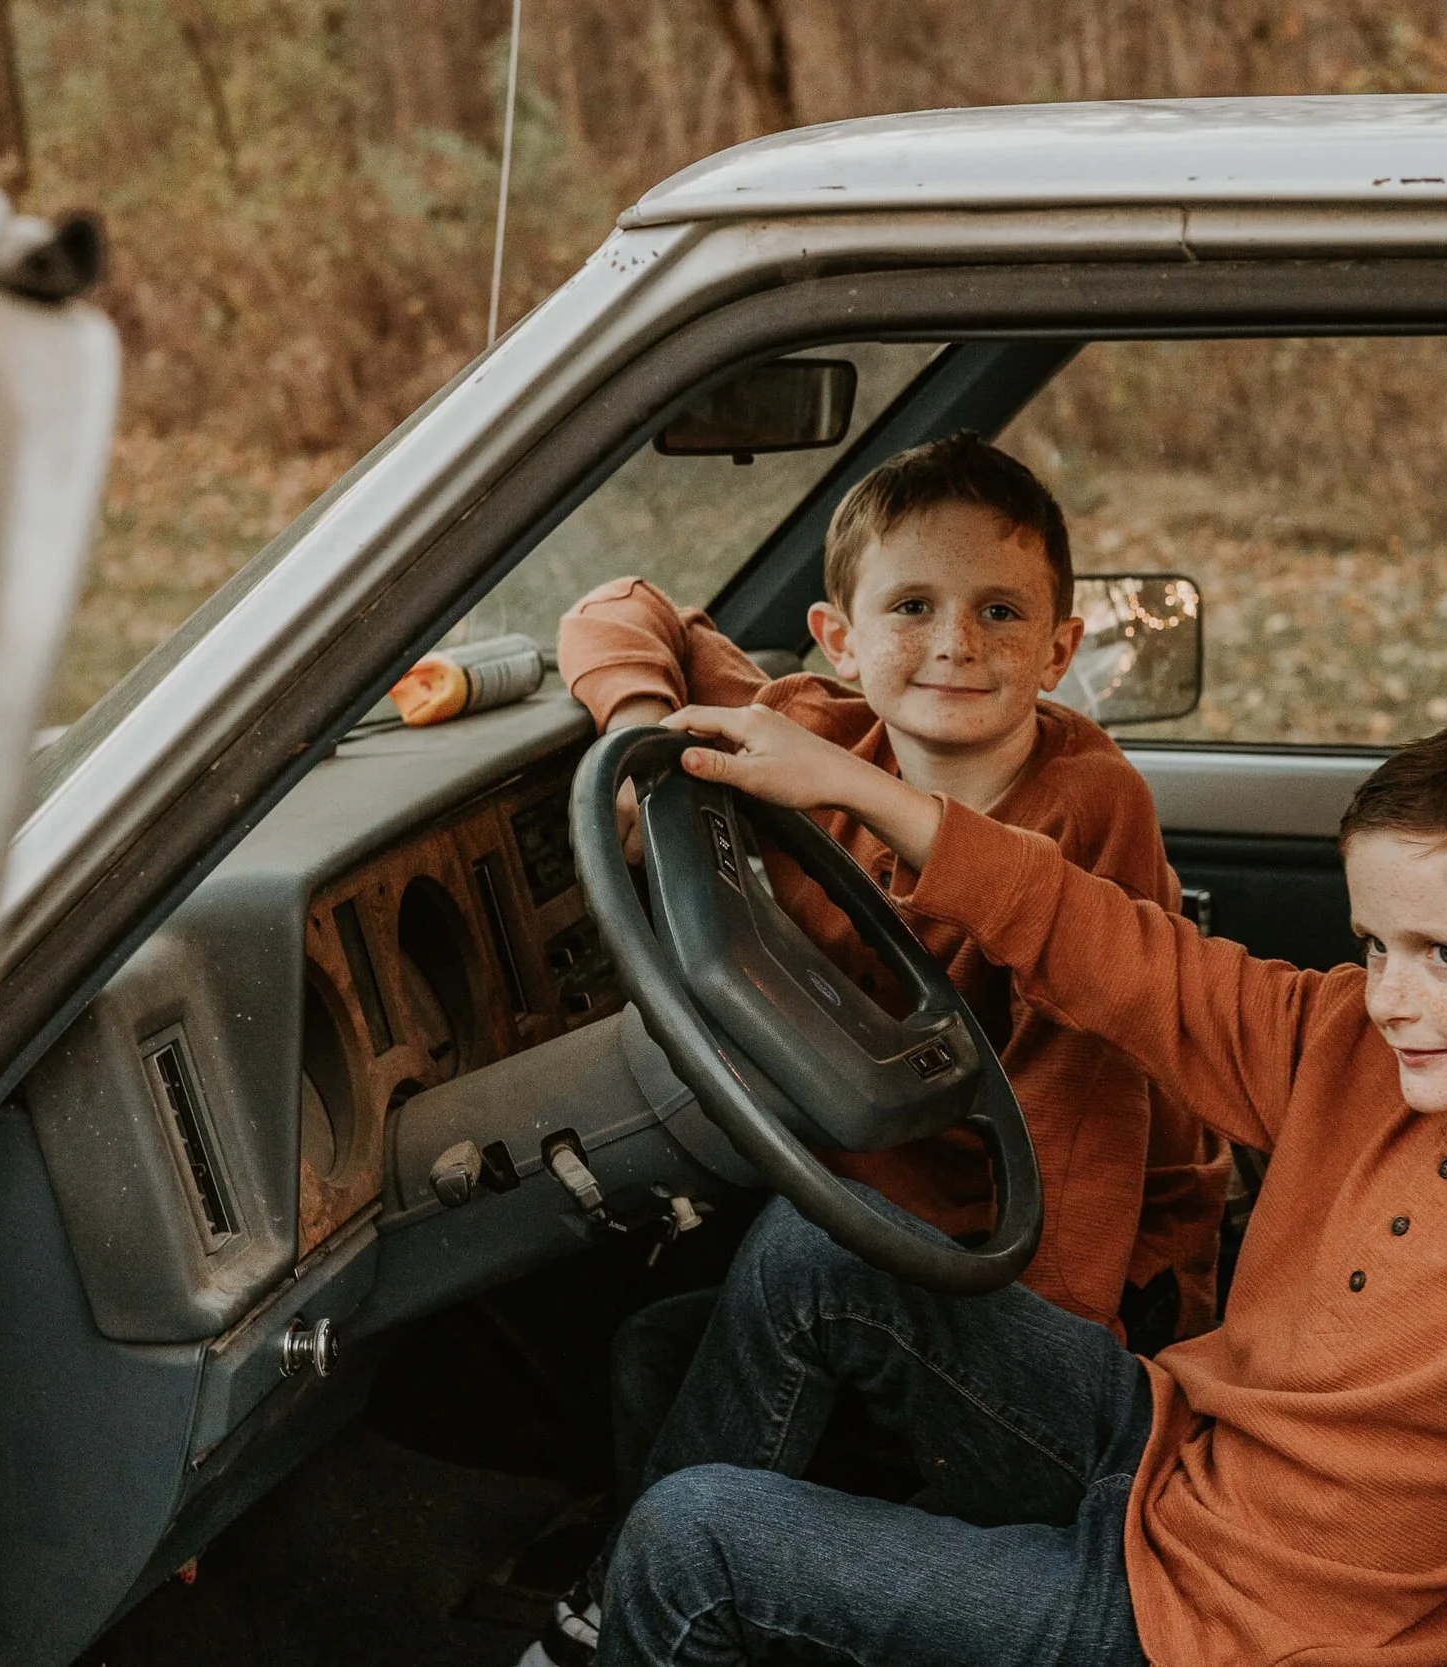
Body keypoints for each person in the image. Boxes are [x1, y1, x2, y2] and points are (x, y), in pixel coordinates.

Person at [592, 701, 1447, 1667]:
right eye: (1375, 944)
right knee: (819, 1254)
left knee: (690, 1543)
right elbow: (1124, 954)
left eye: (1443, 955)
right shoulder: (1353, 1048)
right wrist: (859, 790)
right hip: (1168, 1451)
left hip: (1220, 1635)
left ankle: (651, 1621)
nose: (1391, 994)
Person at [521, 434, 1227, 1667]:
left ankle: (618, 1620)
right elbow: (622, 606)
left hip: (1089, 1307)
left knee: (801, 1254)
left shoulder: (1088, 807)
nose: (954, 641)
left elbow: (1087, 1131)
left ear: (1061, 652)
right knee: (650, 1348)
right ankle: (680, 1602)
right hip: (910, 1239)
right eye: (911, 606)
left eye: (998, 611)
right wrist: (639, 736)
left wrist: (994, 1363)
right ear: (837, 638)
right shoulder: (812, 732)